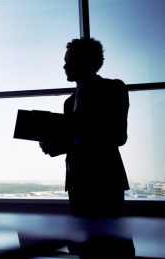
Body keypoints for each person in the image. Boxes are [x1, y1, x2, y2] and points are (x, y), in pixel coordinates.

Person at [40, 37, 130, 217]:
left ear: (85, 62)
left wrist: (65, 141)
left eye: (69, 61)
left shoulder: (113, 89)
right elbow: (75, 139)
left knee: (108, 241)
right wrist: (52, 146)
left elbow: (118, 135)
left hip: (105, 181)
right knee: (86, 241)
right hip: (77, 183)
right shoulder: (69, 102)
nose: (64, 67)